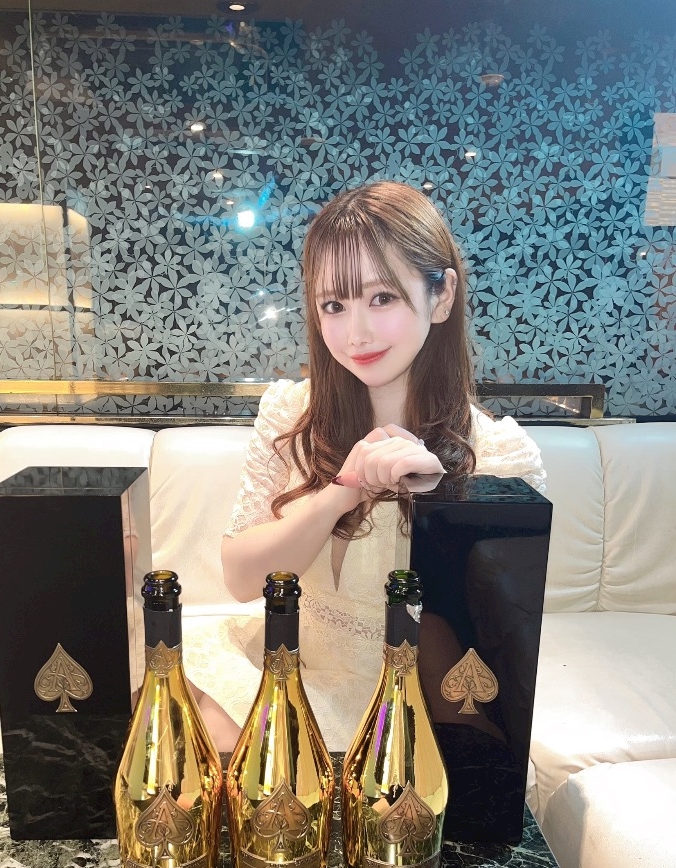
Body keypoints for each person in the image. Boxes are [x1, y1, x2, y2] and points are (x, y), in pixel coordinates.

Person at [183, 180, 545, 751]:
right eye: (335, 305)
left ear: (442, 295)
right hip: (290, 671)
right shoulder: (290, 415)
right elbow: (242, 580)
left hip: (415, 699)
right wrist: (341, 491)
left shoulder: (499, 453)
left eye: (382, 298)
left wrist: (446, 502)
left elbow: (495, 641)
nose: (356, 334)